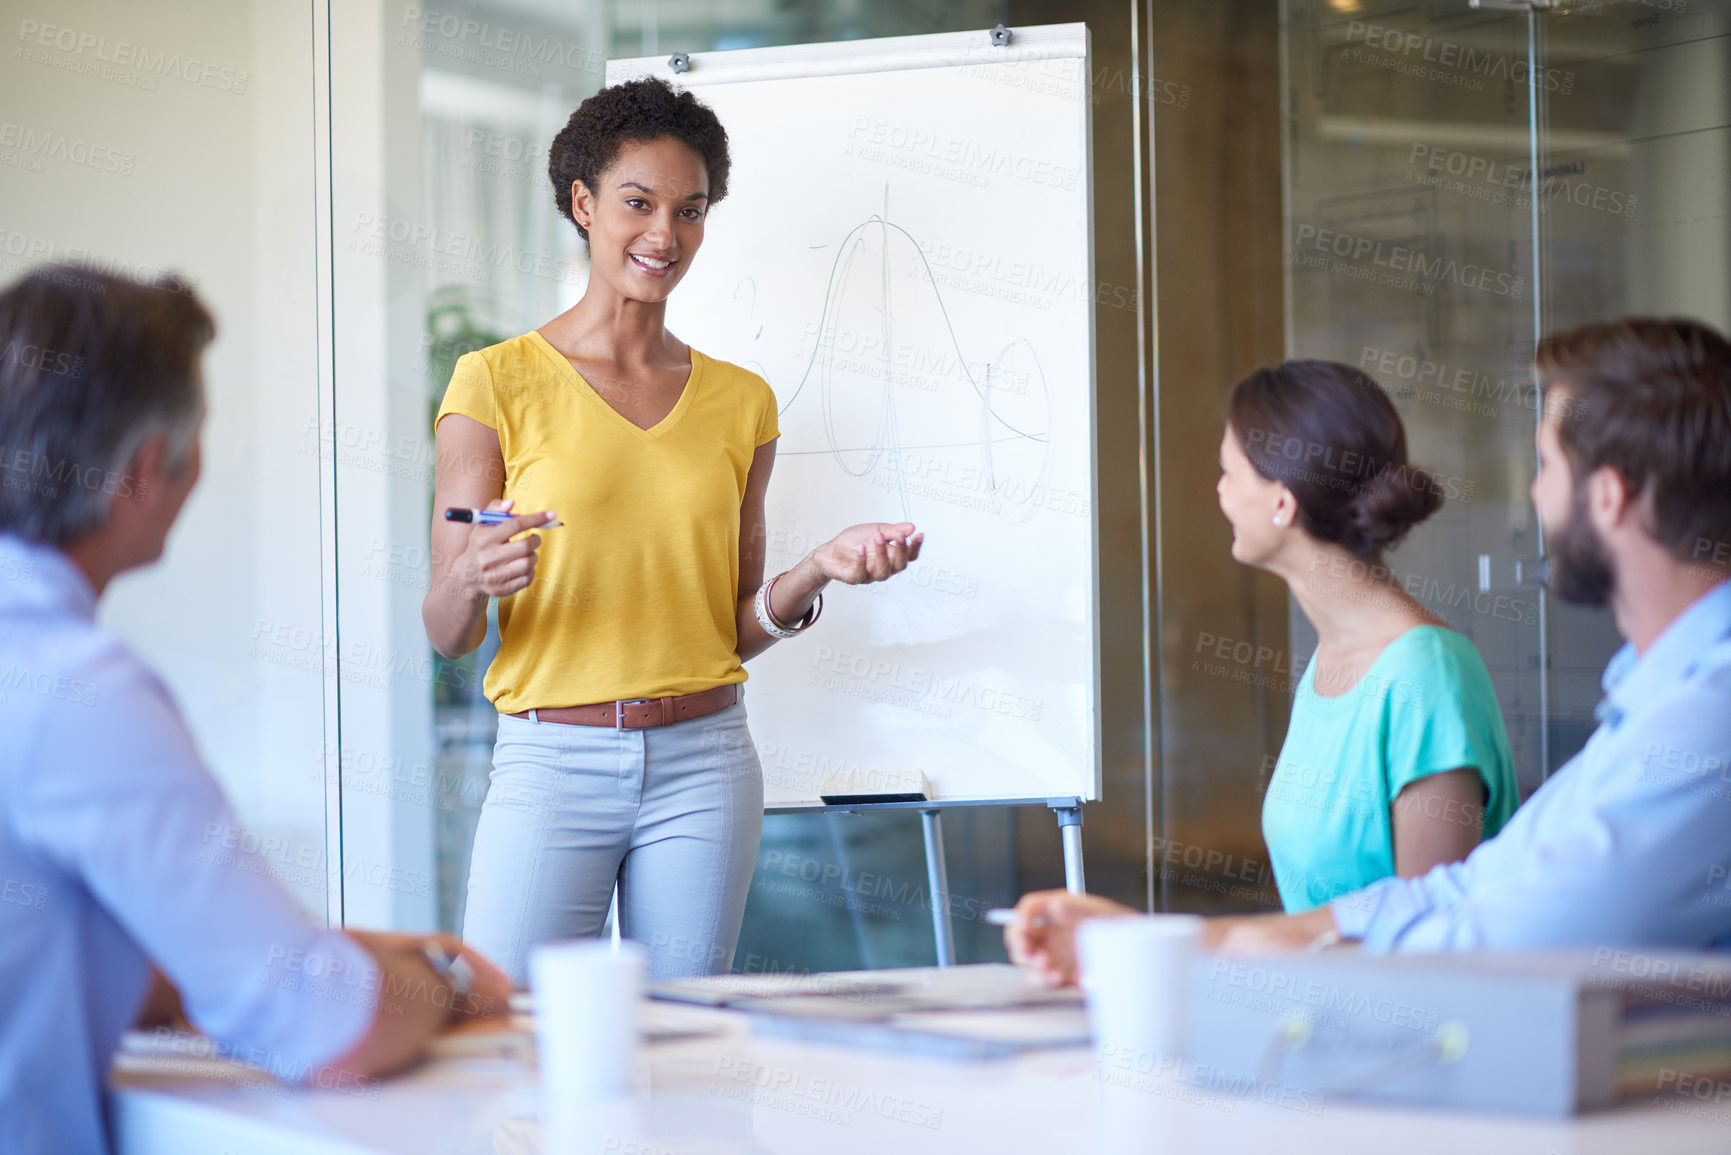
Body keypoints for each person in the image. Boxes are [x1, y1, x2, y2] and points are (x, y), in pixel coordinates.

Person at [1007, 318, 1731, 983]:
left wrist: (1184, 951)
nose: (1533, 499)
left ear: (1607, 496)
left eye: (1543, 465)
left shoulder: (1701, 712)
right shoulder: (1653, 696)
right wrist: (1164, 943)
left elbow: (1489, 939)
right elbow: (1462, 895)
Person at [0, 266, 511, 1155]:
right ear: (147, 471)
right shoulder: (75, 691)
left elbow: (66, 947)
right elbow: (321, 1026)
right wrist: (442, 978)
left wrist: (321, 948)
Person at [424, 77, 923, 985]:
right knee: (508, 1034)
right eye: (638, 203)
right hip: (550, 763)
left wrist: (817, 569)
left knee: (688, 1049)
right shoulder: (492, 382)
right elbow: (445, 628)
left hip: (704, 764)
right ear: (582, 203)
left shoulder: (742, 400)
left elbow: (725, 628)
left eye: (689, 211)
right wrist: (471, 578)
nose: (665, 234)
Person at [1217, 361, 1518, 911]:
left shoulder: (1425, 672)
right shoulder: (1330, 662)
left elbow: (1429, 939)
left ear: (1282, 503)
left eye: (1229, 474)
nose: (1220, 494)